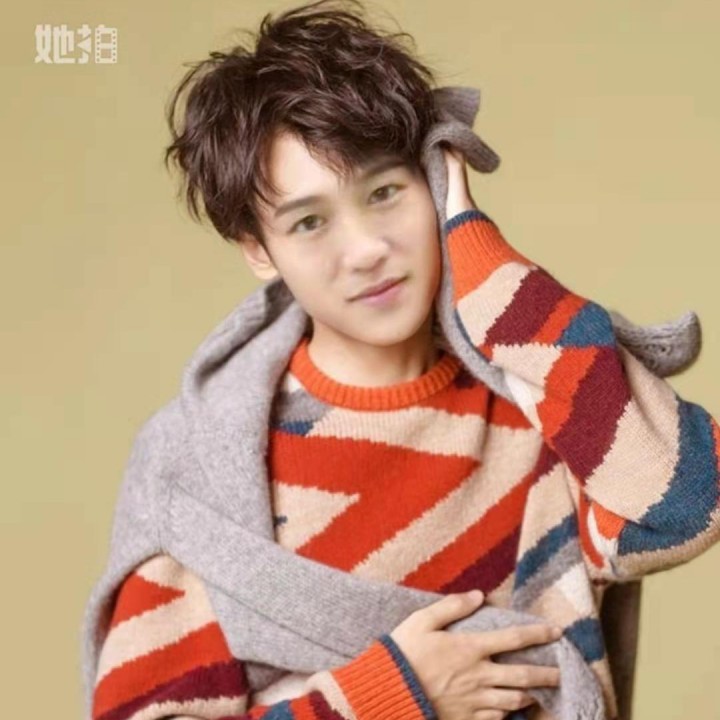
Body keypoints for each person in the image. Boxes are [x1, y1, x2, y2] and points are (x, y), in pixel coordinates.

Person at [82, 2, 720, 720]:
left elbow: (689, 505)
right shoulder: (200, 466)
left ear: (433, 180)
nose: (366, 251)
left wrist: (481, 255)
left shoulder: (540, 405)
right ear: (259, 250)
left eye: (385, 192)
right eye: (309, 222)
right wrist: (390, 696)